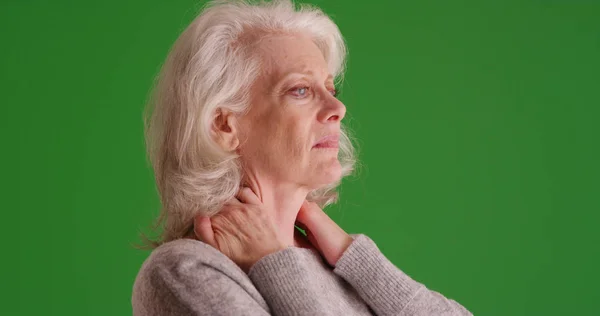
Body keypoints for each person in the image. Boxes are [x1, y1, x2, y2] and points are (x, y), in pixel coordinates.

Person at [131, 0, 473, 315]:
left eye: (331, 89)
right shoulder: (184, 271)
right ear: (224, 124)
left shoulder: (339, 264)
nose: (338, 108)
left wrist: (354, 257)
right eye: (300, 90)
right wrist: (274, 264)